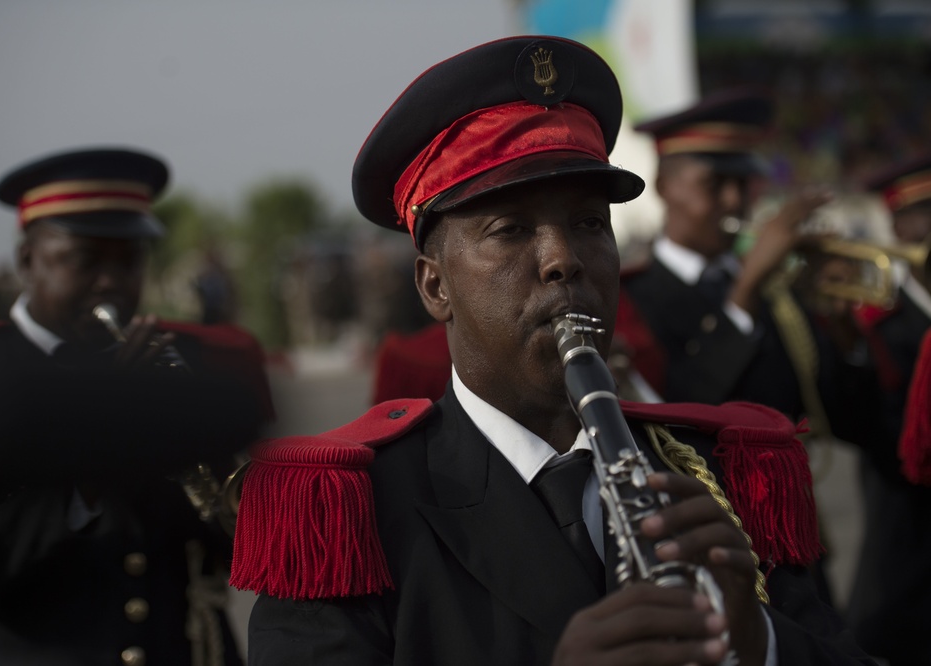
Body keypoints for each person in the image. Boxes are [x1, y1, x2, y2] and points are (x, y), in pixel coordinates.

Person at [231, 36, 873, 665]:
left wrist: (757, 642)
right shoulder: (348, 515)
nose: (564, 259)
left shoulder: (722, 476)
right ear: (434, 285)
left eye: (590, 223)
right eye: (509, 230)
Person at [0, 147, 273, 666]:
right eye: (86, 260)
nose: (112, 283)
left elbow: (241, 546)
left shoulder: (187, 360)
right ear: (27, 260)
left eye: (130, 261)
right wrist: (100, 446)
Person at [615, 89, 877, 443]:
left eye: (742, 183)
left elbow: (846, 418)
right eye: (715, 184)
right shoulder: (630, 299)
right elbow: (679, 414)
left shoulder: (777, 289)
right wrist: (746, 289)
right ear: (664, 187)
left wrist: (843, 327)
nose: (735, 200)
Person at [845, 152, 931, 665]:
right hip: (911, 563)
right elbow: (889, 440)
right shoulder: (879, 326)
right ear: (898, 226)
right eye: (925, 212)